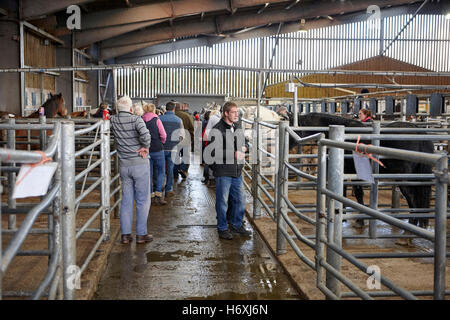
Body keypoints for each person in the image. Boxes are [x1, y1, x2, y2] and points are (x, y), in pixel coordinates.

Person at [110, 96, 153, 245]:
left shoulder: (113, 120)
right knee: (142, 200)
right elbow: (146, 136)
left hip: (124, 165)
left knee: (126, 201)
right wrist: (145, 147)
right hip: (139, 164)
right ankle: (141, 235)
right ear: (130, 109)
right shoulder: (136, 120)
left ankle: (125, 235)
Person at [209, 101, 251, 240]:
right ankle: (222, 228)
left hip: (236, 171)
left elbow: (245, 143)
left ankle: (236, 225)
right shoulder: (217, 129)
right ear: (226, 113)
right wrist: (233, 153)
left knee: (240, 200)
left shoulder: (237, 126)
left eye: (236, 112)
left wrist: (245, 147)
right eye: (233, 112)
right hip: (223, 171)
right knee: (222, 201)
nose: (236, 114)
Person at [142, 103, 168, 205]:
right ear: (153, 110)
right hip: (157, 148)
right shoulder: (156, 119)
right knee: (161, 171)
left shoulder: (141, 120)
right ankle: (158, 194)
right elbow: (163, 135)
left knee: (149, 173)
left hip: (146, 149)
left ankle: (150, 195)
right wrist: (162, 141)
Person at [159, 101, 184, 197]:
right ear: (174, 109)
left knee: (160, 169)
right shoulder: (178, 120)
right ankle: (169, 189)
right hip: (173, 148)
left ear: (166, 108)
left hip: (161, 148)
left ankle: (158, 189)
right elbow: (182, 135)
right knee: (170, 169)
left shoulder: (159, 119)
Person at [175, 102, 194, 178]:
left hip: (174, 140)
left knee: (175, 156)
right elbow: (192, 128)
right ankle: (183, 170)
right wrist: (191, 139)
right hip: (186, 138)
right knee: (185, 155)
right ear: (181, 107)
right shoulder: (187, 116)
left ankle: (175, 172)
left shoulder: (173, 115)